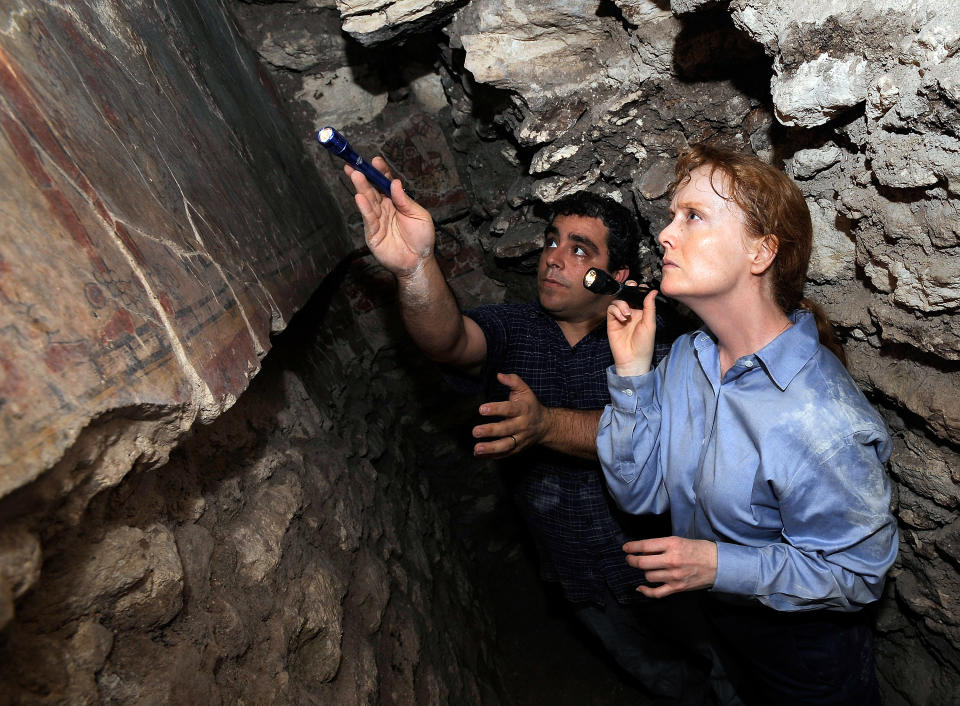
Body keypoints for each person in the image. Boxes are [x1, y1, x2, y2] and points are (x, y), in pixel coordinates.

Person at [346, 157, 716, 702]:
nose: (553, 259)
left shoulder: (658, 344)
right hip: (577, 572)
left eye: (578, 250)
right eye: (551, 242)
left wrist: (544, 424)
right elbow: (447, 340)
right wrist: (414, 266)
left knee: (725, 666)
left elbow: (657, 444)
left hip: (667, 567)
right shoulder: (515, 327)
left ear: (615, 278)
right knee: (659, 674)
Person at [597, 143, 899, 705]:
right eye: (671, 216)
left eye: (693, 217)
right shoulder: (688, 358)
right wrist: (632, 372)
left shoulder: (822, 417)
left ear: (760, 252)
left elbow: (859, 576)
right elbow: (636, 493)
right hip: (719, 624)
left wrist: (718, 564)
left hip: (805, 655)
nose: (665, 234)